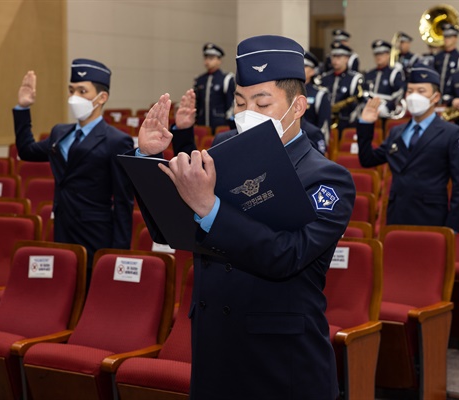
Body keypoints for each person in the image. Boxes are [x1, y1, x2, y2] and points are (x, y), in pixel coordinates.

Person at [135, 35, 356, 399]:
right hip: (214, 346)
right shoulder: (222, 149)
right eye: (240, 101)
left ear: (298, 106)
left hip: (279, 361)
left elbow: (286, 256)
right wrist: (149, 160)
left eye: (261, 102)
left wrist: (210, 209)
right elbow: (171, 231)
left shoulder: (327, 178)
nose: (246, 111)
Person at [13, 59, 134, 284]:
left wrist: (119, 253)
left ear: (102, 98)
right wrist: (23, 108)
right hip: (63, 229)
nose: (74, 97)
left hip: (97, 234)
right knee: (64, 292)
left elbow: (123, 200)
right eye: (72, 90)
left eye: (82, 91)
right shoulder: (61, 132)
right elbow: (27, 151)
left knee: (91, 294)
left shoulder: (117, 140)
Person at [356, 65, 459, 232]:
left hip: (432, 217)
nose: (414, 96)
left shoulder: (451, 133)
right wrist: (366, 124)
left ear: (435, 97)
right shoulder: (396, 132)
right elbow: (368, 160)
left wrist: (452, 225)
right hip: (397, 215)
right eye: (410, 91)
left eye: (421, 91)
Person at [320, 41, 365, 137]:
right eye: (333, 57)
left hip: (346, 122)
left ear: (346, 59)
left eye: (339, 57)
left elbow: (357, 101)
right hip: (325, 121)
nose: (335, 60)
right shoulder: (324, 78)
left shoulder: (355, 78)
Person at [193, 42, 235, 129]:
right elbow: (197, 103)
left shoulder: (226, 79)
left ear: (219, 60)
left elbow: (231, 103)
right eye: (206, 58)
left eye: (211, 58)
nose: (207, 61)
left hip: (221, 125)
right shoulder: (199, 80)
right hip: (202, 124)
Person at [363, 39, 406, 120]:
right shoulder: (369, 74)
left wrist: (387, 106)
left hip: (386, 114)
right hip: (369, 110)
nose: (379, 57)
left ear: (388, 55)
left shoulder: (394, 73)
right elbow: (365, 92)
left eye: (382, 54)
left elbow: (399, 93)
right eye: (376, 54)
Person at [303, 51, 332, 145]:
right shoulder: (288, 92)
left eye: (304, 66)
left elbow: (324, 126)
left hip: (312, 143)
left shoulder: (319, 94)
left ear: (312, 71)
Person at [434, 23, 459, 94]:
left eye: (449, 37)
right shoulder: (438, 56)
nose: (446, 39)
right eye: (445, 37)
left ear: (455, 38)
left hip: (452, 94)